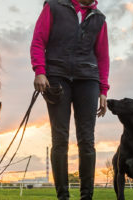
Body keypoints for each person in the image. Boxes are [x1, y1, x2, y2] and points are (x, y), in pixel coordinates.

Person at [30, 0, 109, 199]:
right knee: (60, 139)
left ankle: (86, 196)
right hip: (56, 77)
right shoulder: (54, 6)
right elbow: (39, 40)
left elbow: (103, 57)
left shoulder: (99, 19)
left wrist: (103, 90)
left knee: (87, 140)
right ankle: (63, 196)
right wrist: (40, 71)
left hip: (88, 79)